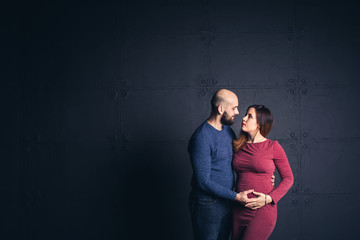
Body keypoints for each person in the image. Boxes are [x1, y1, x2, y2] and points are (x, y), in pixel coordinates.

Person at [188, 90, 274, 240]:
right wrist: (235, 196)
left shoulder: (228, 131)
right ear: (221, 109)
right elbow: (203, 181)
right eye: (234, 108)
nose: (238, 112)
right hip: (207, 205)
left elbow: (240, 162)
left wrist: (265, 177)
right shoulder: (202, 138)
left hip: (228, 201)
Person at [232, 105, 294, 240]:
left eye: (249, 116)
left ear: (260, 123)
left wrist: (269, 199)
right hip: (238, 209)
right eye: (245, 114)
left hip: (262, 210)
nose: (243, 118)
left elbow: (288, 178)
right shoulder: (238, 145)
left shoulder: (273, 147)